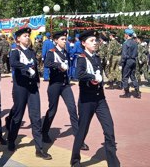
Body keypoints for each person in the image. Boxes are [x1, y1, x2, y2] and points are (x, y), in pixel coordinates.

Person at [70, 30, 120, 167]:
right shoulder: (81, 57)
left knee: (109, 129)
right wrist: (92, 77)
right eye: (92, 40)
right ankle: (75, 160)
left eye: (96, 40)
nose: (95, 42)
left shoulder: (97, 57)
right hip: (87, 101)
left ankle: (113, 163)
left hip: (100, 99)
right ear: (83, 43)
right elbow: (78, 74)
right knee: (82, 131)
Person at [6, 27, 52, 160]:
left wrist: (37, 80)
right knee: (18, 116)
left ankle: (39, 148)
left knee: (36, 117)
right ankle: (11, 139)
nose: (27, 37)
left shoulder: (31, 52)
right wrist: (26, 68)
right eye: (25, 36)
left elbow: (35, 68)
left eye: (28, 35)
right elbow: (13, 63)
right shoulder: (15, 51)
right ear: (18, 39)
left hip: (32, 89)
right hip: (20, 88)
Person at [41, 30, 89, 151]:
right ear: (56, 40)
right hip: (55, 85)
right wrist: (58, 65)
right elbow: (47, 63)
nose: (65, 41)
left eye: (65, 39)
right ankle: (44, 132)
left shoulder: (66, 52)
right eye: (62, 39)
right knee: (52, 110)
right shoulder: (52, 52)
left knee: (72, 109)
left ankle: (79, 139)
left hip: (65, 85)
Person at [119, 28, 140, 99]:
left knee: (125, 77)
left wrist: (121, 64)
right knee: (133, 77)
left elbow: (124, 55)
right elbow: (137, 53)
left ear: (127, 35)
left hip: (127, 61)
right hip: (134, 60)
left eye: (125, 34)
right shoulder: (135, 42)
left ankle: (126, 93)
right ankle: (138, 93)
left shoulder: (125, 43)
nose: (124, 35)